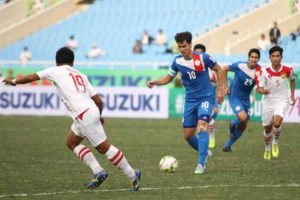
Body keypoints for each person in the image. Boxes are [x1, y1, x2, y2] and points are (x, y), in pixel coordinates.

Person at [3, 47, 141, 191]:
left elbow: (32, 77)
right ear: (73, 62)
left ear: (56, 61)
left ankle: (132, 175)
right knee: (71, 142)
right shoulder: (81, 75)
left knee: (103, 148)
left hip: (83, 115)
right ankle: (98, 171)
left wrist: (14, 81)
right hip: (88, 113)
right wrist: (98, 116)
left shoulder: (55, 70)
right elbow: (99, 101)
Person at [147, 32, 224, 174]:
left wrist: (220, 90)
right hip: (190, 101)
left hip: (205, 98)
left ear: (190, 44)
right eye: (179, 47)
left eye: (184, 46)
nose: (182, 49)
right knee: (188, 135)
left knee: (202, 127)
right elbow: (168, 78)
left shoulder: (203, 58)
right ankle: (205, 152)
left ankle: (201, 163)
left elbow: (219, 69)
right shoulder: (177, 61)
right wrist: (155, 82)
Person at [256, 46, 296, 160]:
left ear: (281, 57)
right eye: (273, 56)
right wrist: (263, 91)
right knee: (267, 128)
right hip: (268, 101)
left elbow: (292, 80)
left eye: (277, 56)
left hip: (282, 100)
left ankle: (275, 142)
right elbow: (259, 88)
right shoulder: (265, 71)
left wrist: (292, 95)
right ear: (269, 57)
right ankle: (267, 148)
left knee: (277, 123)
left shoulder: (288, 70)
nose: (275, 58)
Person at [222, 48, 262, 152]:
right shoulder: (240, 66)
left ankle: (227, 145)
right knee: (242, 117)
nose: (253, 59)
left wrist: (258, 93)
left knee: (244, 126)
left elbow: (259, 85)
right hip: (234, 96)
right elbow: (224, 69)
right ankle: (232, 124)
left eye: (256, 57)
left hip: (246, 99)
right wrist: (225, 87)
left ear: (258, 59)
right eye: (252, 57)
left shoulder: (259, 71)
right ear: (248, 58)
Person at [193, 44, 218, 149]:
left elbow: (214, 80)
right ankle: (202, 140)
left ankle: (211, 137)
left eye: (201, 52)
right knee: (199, 122)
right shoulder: (191, 67)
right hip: (196, 98)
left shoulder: (210, 67)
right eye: (196, 52)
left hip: (210, 98)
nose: (198, 54)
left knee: (210, 118)